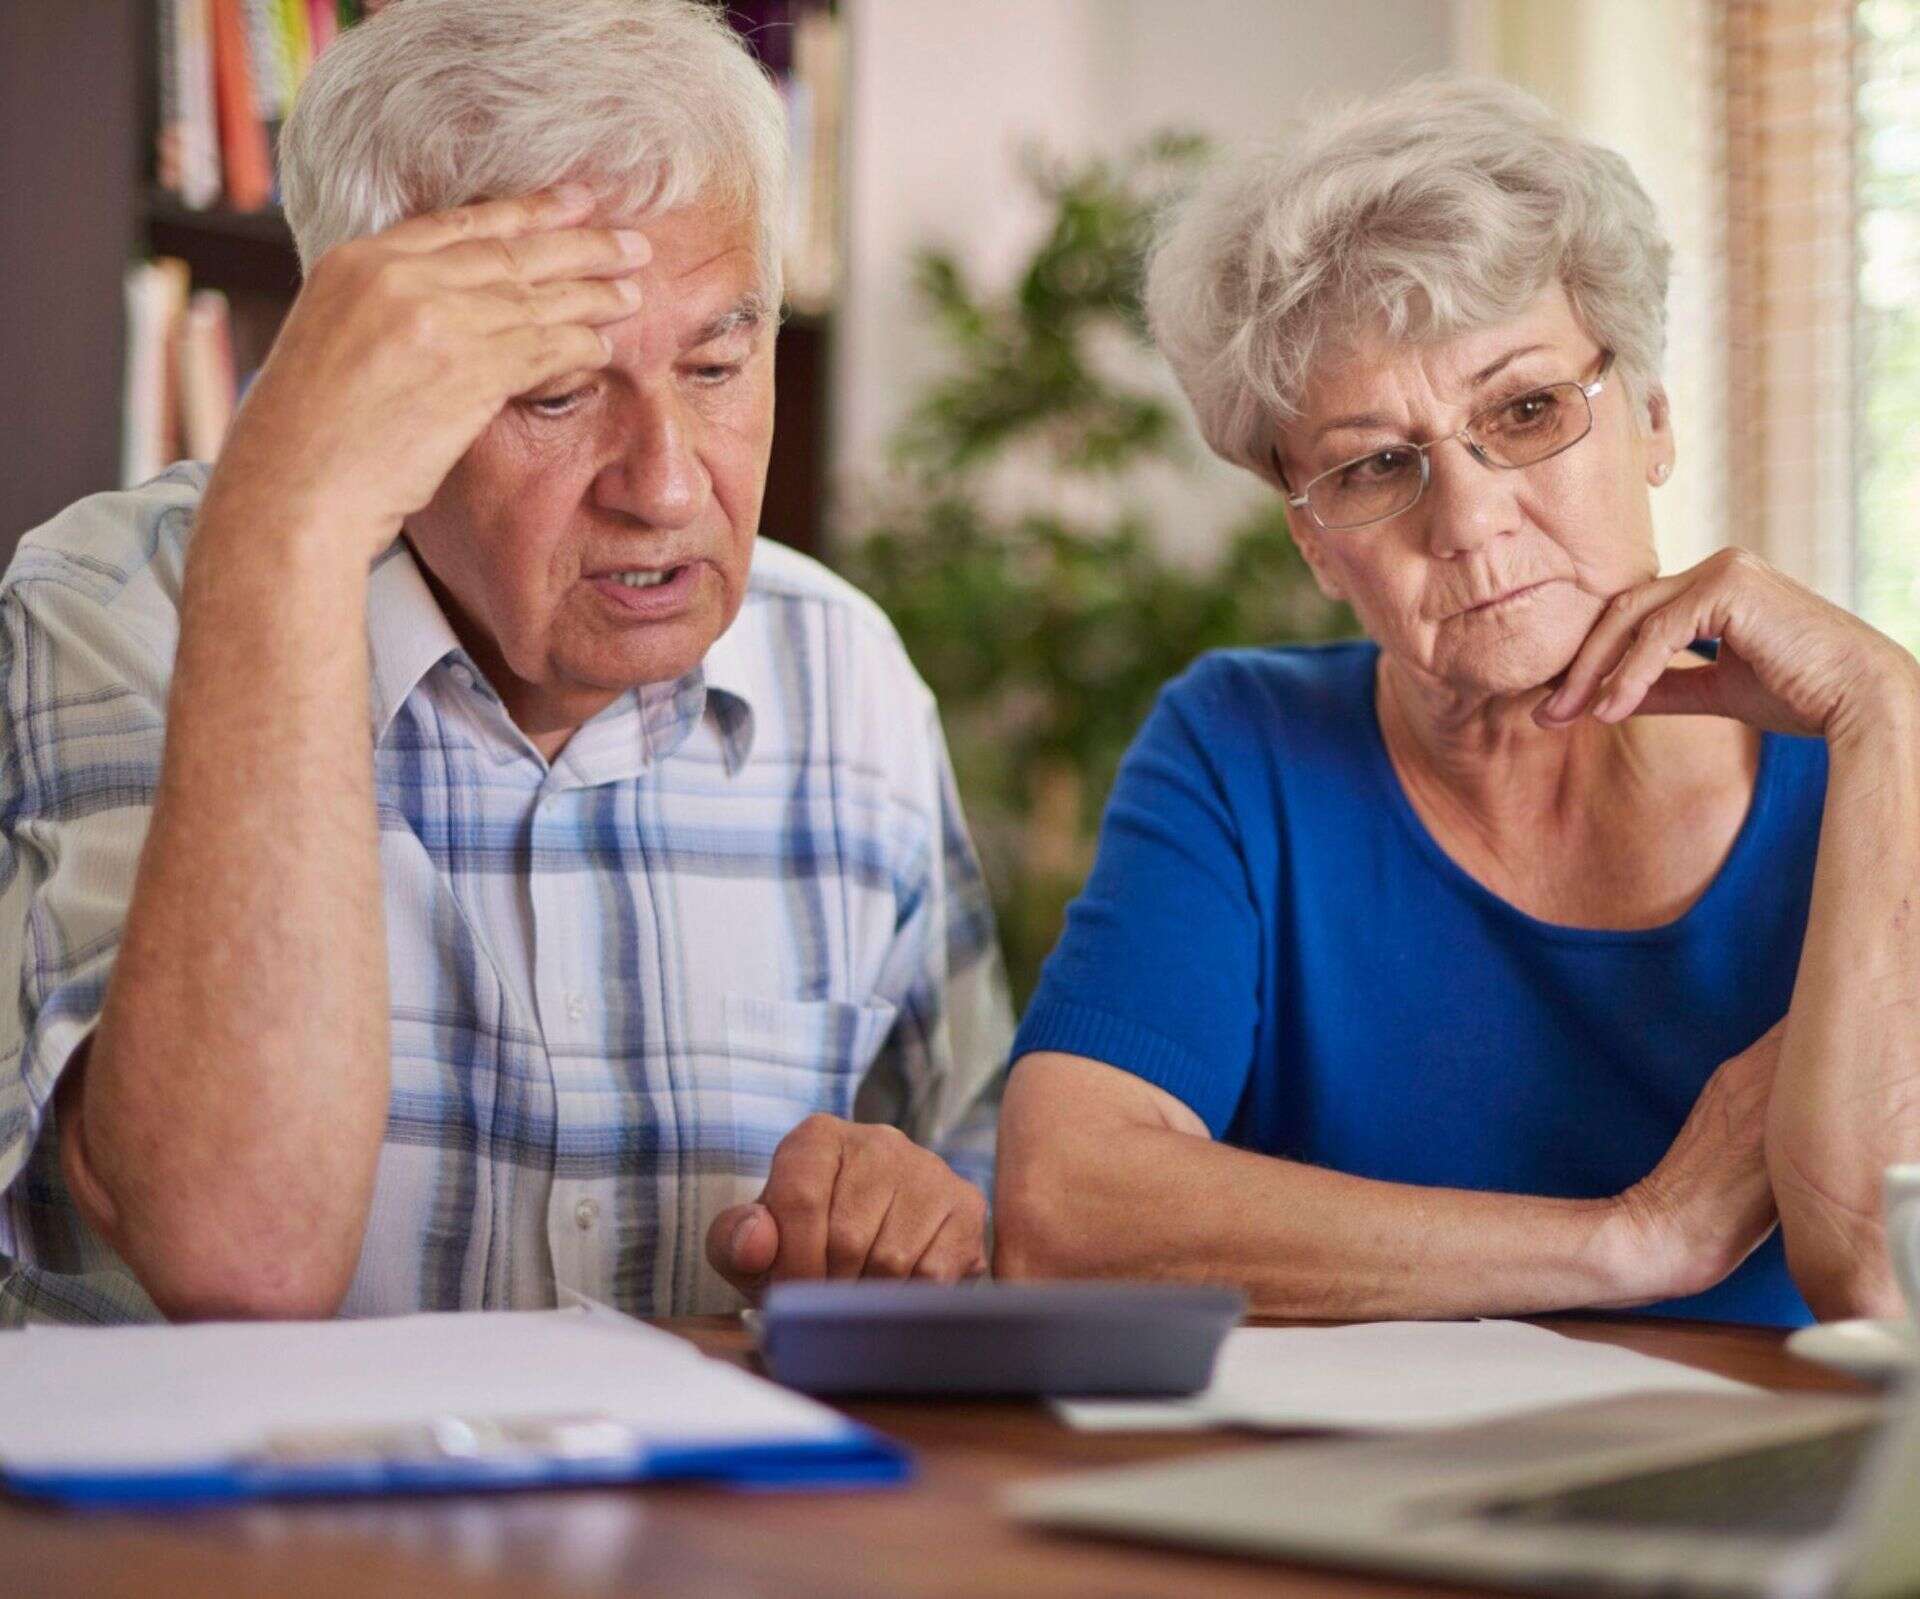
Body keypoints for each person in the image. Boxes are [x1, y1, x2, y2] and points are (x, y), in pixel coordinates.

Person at [0, 0, 1009, 1325]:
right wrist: (286, 525)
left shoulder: (846, 671)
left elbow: (988, 1192)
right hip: (247, 1532)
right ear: (361, 362)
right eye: (552, 390)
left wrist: (919, 1214)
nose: (662, 487)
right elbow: (234, 1251)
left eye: (716, 364)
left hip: (717, 1529)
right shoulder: (115, 608)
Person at [995, 77, 1920, 1327]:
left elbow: (1875, 1275)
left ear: (1651, 419)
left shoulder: (1870, 774)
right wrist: (1631, 1242)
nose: (1472, 522)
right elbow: (1066, 1215)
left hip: (1768, 1514)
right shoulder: (1242, 750)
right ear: (1317, 543)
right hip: (1341, 1505)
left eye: (1528, 410)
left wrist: (1887, 704)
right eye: (1376, 465)